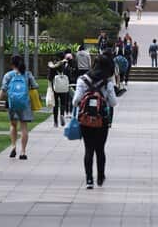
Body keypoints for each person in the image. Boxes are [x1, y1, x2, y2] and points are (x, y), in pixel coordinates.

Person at [74, 54, 118, 189]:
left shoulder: (82, 80)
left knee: (88, 149)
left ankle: (88, 179)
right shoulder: (107, 82)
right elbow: (113, 102)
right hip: (101, 120)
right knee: (100, 149)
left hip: (86, 120)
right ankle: (100, 176)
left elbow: (75, 101)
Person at [0, 55, 38, 160]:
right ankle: (23, 152)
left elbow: (3, 89)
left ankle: (13, 146)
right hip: (24, 103)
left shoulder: (8, 75)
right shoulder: (27, 74)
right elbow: (35, 86)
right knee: (24, 127)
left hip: (11, 103)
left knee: (13, 125)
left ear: (12, 64)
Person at [48, 52, 69, 127]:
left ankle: (55, 122)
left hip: (55, 86)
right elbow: (68, 74)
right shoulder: (65, 65)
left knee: (55, 104)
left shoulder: (52, 65)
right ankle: (62, 114)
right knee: (63, 102)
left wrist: (49, 87)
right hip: (63, 86)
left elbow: (50, 77)